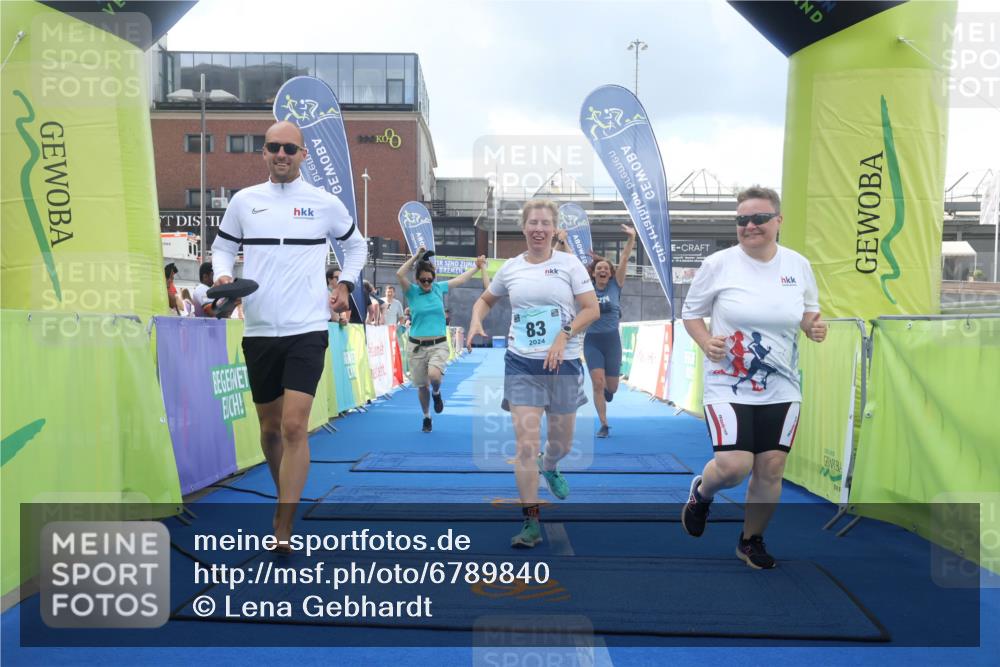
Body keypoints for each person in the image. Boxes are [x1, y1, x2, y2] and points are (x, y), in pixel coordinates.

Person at [211, 120, 367, 550]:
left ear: (303, 156)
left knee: (295, 425)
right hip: (260, 328)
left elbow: (357, 247)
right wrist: (224, 275)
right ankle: (284, 497)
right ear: (263, 153)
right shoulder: (245, 201)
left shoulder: (324, 203)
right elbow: (222, 246)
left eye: (289, 149)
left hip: (307, 327)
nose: (281, 155)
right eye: (273, 148)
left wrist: (345, 285)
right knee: (269, 430)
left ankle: (284, 518)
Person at [680, 186, 827, 569]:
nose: (749, 226)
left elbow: (809, 313)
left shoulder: (798, 265)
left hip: (782, 385)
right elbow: (691, 314)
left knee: (771, 467)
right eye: (742, 219)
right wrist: (704, 340)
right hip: (726, 384)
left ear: (778, 221)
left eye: (759, 218)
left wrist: (814, 327)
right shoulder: (718, 264)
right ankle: (702, 492)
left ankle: (751, 540)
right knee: (734, 466)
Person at [467, 200, 599, 548]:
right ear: (523, 228)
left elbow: (592, 308)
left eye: (545, 223)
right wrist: (476, 318)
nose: (539, 228)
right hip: (522, 363)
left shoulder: (569, 264)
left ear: (554, 229)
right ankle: (530, 521)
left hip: (564, 363)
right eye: (532, 223)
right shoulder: (511, 268)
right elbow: (485, 300)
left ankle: (551, 464)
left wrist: (564, 335)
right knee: (525, 444)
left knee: (562, 443)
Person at [558, 224, 637, 438]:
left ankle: (608, 393)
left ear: (610, 274)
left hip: (612, 342)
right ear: (593, 273)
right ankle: (603, 424)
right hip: (592, 340)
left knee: (611, 387)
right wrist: (564, 241)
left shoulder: (615, 285)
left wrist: (631, 239)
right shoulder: (586, 286)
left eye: (606, 269)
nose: (603, 270)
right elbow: (573, 261)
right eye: (599, 268)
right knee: (597, 383)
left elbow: (624, 259)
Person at [397, 249, 489, 432]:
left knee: (434, 376)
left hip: (438, 343)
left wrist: (477, 268)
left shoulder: (439, 288)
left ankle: (437, 393)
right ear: (417, 280)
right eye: (423, 280)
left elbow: (460, 280)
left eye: (429, 280)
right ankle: (426, 417)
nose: (426, 283)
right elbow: (399, 274)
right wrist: (415, 256)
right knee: (422, 386)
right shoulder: (412, 292)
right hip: (416, 346)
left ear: (434, 279)